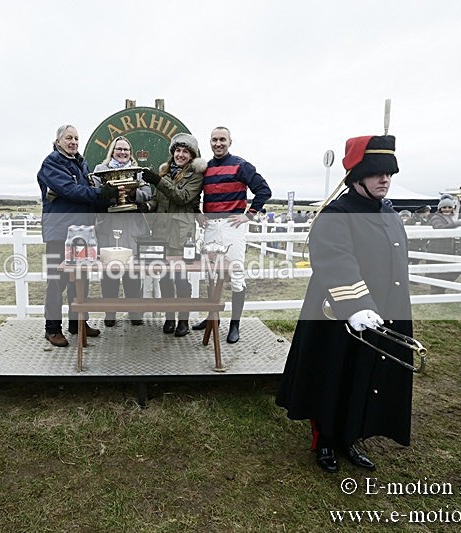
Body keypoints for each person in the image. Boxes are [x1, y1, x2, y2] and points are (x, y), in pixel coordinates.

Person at [276, 134, 413, 473]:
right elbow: (334, 259)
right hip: (338, 312)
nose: (385, 179)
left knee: (363, 374)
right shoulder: (337, 213)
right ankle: (324, 440)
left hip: (381, 313)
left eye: (389, 173)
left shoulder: (389, 213)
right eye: (376, 172)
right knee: (333, 374)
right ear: (356, 176)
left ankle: (349, 436)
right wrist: (357, 306)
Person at [38, 124, 119, 347]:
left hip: (81, 233)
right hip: (59, 233)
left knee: (80, 280)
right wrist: (101, 194)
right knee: (57, 282)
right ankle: (52, 328)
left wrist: (104, 199)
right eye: (68, 138)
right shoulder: (52, 163)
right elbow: (71, 191)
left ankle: (77, 324)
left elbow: (85, 194)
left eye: (76, 138)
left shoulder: (81, 163)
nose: (73, 142)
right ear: (58, 141)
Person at [191, 127, 272, 343]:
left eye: (222, 140)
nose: (218, 143)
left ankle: (235, 325)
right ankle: (212, 319)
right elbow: (193, 195)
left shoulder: (241, 165)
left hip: (232, 226)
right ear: (210, 142)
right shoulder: (205, 168)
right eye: (214, 140)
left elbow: (264, 190)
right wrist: (198, 214)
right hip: (210, 227)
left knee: (236, 275)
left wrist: (250, 214)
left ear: (230, 142)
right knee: (210, 274)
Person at [141, 133, 205, 337]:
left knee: (180, 278)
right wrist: (146, 205)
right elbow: (157, 200)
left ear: (191, 155)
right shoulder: (165, 173)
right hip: (160, 233)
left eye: (185, 151)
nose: (180, 154)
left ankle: (183, 321)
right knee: (165, 277)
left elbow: (182, 197)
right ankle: (169, 317)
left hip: (181, 235)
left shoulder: (195, 176)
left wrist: (158, 181)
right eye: (177, 150)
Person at [91, 136, 153, 327]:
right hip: (108, 227)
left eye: (126, 149)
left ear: (130, 152)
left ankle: (135, 312)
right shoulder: (100, 171)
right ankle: (110, 313)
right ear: (112, 150)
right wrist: (110, 196)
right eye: (119, 149)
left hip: (132, 227)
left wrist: (133, 194)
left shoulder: (138, 173)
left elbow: (148, 193)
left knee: (132, 272)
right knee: (109, 272)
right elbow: (94, 193)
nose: (123, 152)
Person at [426, 196, 461, 293]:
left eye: (449, 207)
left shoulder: (449, 218)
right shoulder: (436, 217)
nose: (447, 209)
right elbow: (439, 228)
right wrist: (457, 224)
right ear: (440, 208)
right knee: (438, 269)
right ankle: (436, 290)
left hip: (447, 247)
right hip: (437, 247)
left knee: (447, 269)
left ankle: (440, 288)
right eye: (444, 207)